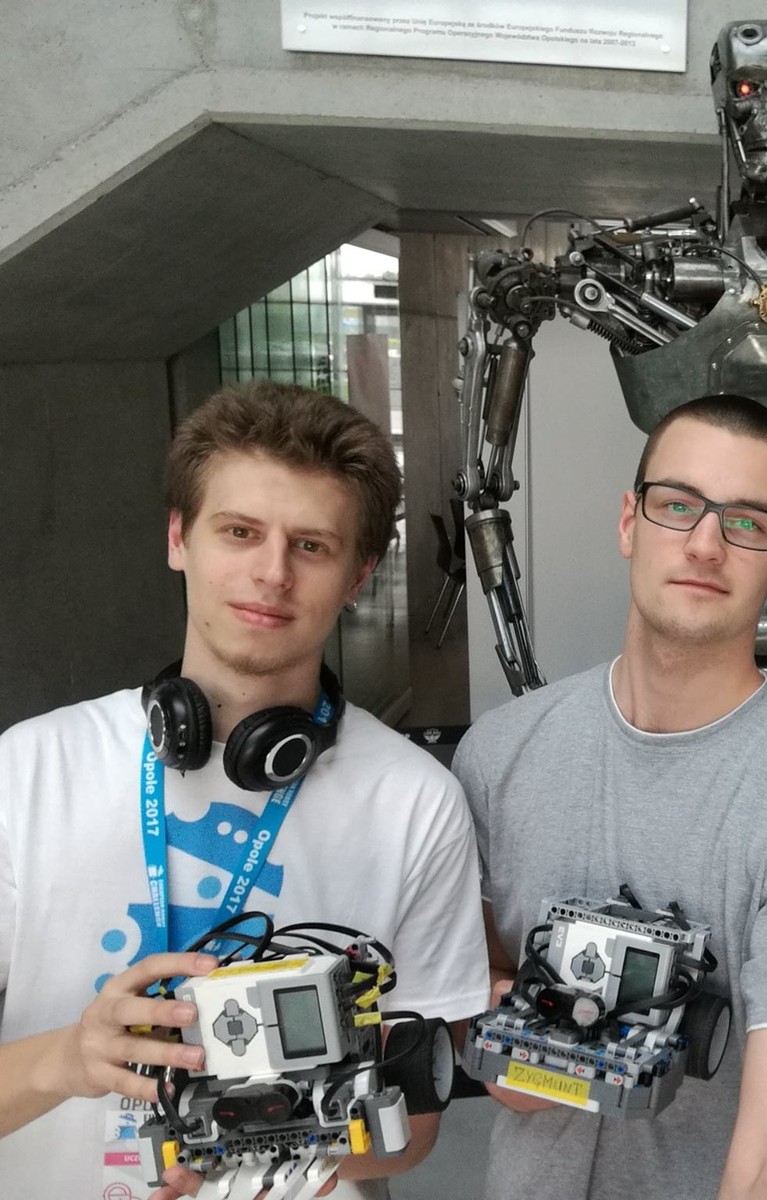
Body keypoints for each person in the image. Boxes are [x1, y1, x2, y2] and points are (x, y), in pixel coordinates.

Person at [0, 381, 490, 1198]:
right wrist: (65, 1059)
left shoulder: (416, 802)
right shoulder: (28, 769)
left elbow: (413, 1128)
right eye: (239, 532)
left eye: (312, 546)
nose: (271, 573)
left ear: (359, 575)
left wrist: (256, 1142)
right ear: (178, 538)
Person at [453, 394, 767, 1200]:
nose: (705, 544)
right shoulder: (500, 756)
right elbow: (479, 987)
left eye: (748, 522)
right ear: (630, 521)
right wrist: (534, 1034)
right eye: (678, 505)